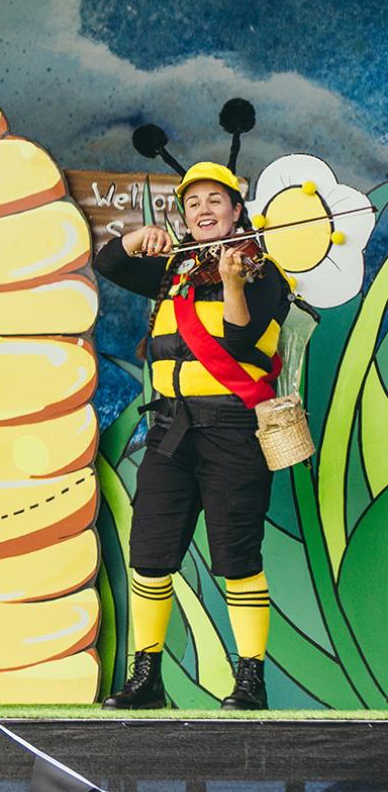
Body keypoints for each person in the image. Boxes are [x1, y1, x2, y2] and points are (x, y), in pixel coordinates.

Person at [94, 160, 291, 711]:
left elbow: (242, 337)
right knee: (150, 555)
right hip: (170, 429)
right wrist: (138, 238)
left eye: (215, 201)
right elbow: (108, 262)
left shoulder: (262, 270)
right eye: (193, 203)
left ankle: (249, 680)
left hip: (232, 430)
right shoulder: (173, 270)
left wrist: (231, 281)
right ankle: (147, 677)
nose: (204, 210)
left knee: (236, 557)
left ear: (235, 211)